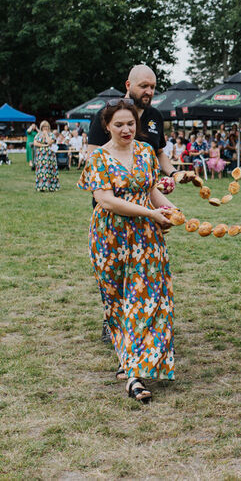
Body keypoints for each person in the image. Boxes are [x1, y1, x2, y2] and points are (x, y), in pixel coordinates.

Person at [78, 100, 177, 403]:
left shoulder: (146, 152)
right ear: (107, 126)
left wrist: (169, 209)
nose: (126, 129)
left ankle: (134, 373)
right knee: (118, 304)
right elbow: (106, 201)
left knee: (147, 299)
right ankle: (129, 363)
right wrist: (150, 214)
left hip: (146, 239)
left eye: (130, 123)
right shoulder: (98, 158)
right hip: (110, 237)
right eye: (119, 124)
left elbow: (150, 190)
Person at [33, 121, 60, 192]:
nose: (45, 128)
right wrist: (44, 145)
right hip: (41, 156)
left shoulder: (52, 135)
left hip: (50, 156)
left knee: (50, 170)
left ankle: (52, 187)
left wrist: (46, 135)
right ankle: (41, 186)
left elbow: (50, 142)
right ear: (41, 127)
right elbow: (35, 143)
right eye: (44, 127)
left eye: (46, 127)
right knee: (41, 170)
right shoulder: (38, 135)